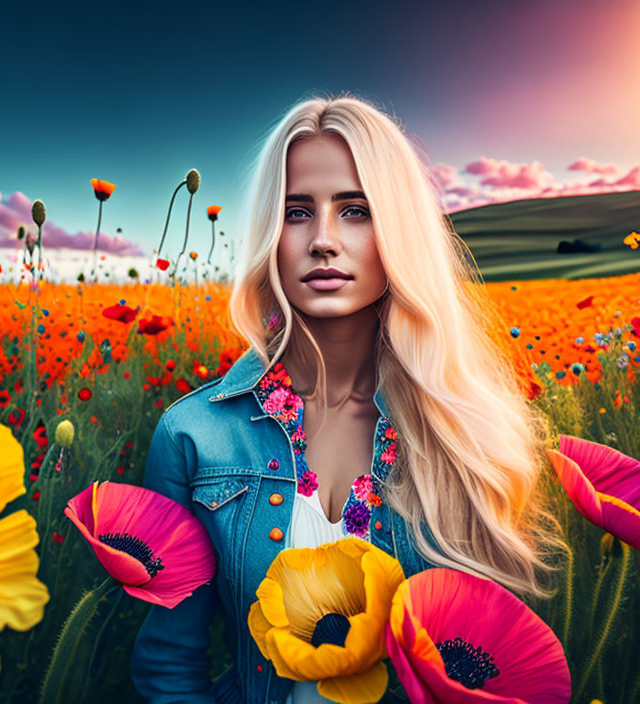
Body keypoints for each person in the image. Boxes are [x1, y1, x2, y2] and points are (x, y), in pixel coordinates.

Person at [130, 92, 564, 704]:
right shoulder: (195, 435)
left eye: (356, 210)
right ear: (269, 235)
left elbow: (497, 665)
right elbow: (171, 664)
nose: (324, 241)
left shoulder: (466, 434)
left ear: (399, 232)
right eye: (297, 212)